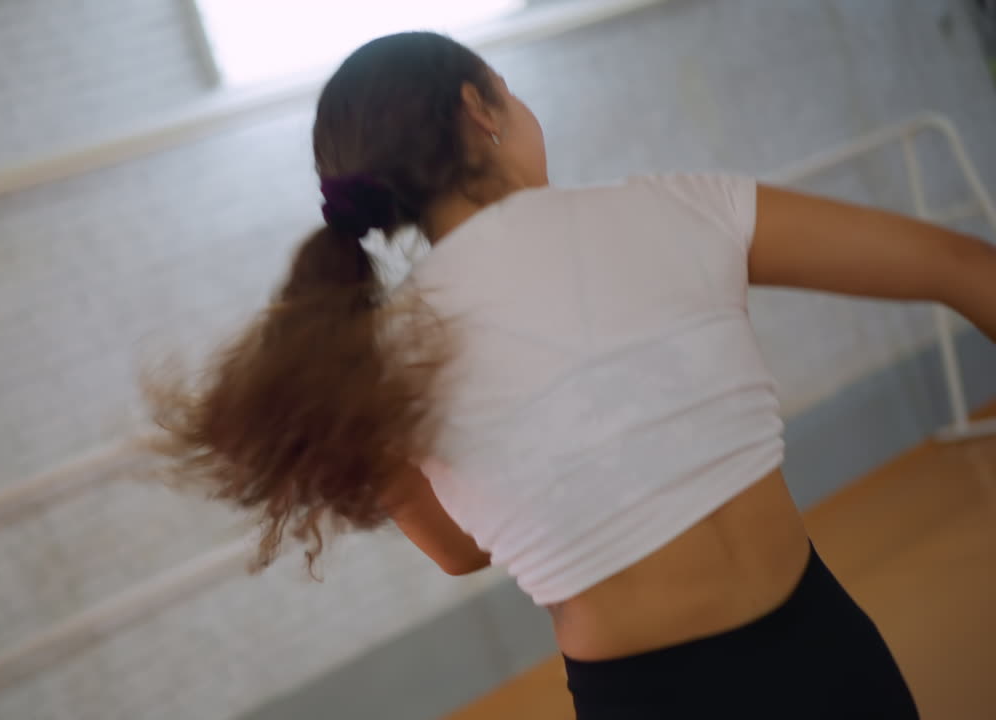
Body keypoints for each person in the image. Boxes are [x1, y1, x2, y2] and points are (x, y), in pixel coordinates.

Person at [148, 31, 996, 719]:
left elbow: (463, 552)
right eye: (510, 96)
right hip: (826, 649)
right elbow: (965, 266)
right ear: (478, 109)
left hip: (641, 699)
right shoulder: (679, 207)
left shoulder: (377, 358)